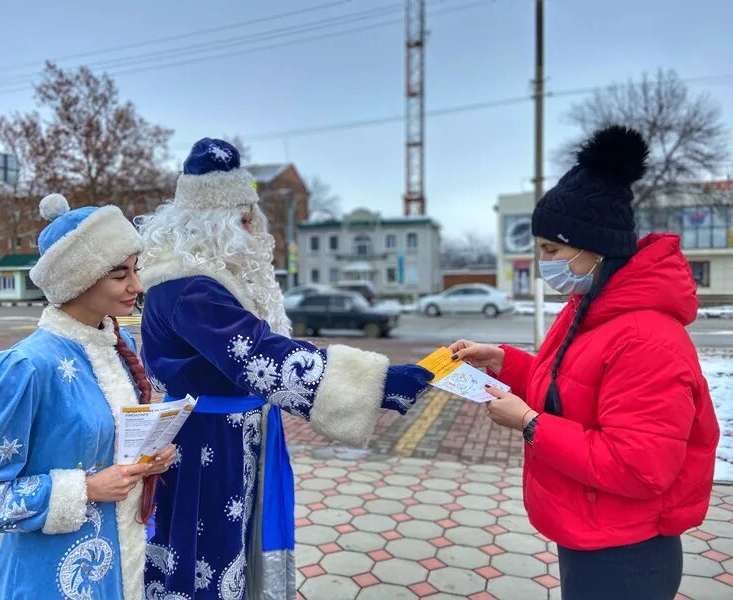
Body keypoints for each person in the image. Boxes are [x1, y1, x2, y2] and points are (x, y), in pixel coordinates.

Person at [136, 138, 433, 600]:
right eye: (241, 216)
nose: (251, 226)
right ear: (209, 221)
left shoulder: (209, 280)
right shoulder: (189, 288)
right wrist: (377, 384)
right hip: (209, 443)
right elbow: (258, 356)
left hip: (232, 434)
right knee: (208, 554)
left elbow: (269, 345)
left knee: (237, 546)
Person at [450, 126, 719, 600]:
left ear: (593, 247)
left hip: (627, 553)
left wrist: (531, 423)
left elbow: (640, 466)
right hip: (595, 533)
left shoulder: (647, 339)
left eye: (551, 250)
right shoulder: (593, 306)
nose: (543, 263)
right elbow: (576, 384)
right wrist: (503, 361)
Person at [0, 194, 177, 600]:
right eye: (120, 274)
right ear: (78, 279)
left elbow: (106, 447)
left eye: (136, 270)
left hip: (125, 568)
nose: (137, 286)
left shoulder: (119, 345)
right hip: (50, 580)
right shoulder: (23, 370)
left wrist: (149, 455)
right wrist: (84, 489)